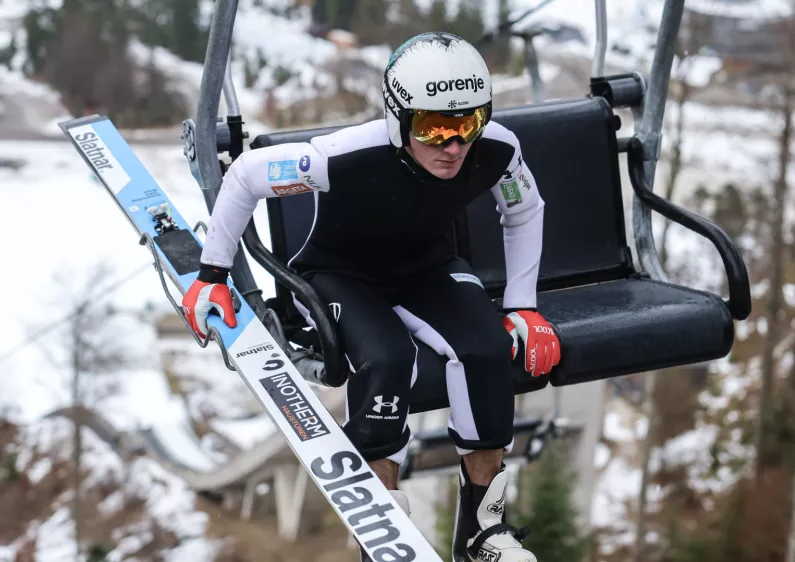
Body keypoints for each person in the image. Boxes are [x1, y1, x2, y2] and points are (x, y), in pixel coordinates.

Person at [182, 31, 561, 562]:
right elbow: (245, 175)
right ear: (398, 117)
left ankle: (481, 534)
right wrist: (212, 274)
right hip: (342, 275)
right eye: (434, 127)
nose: (453, 146)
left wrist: (523, 306)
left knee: (487, 351)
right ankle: (383, 536)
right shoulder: (342, 157)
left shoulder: (497, 149)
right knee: (386, 361)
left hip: (428, 270)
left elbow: (524, 209)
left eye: (468, 123)